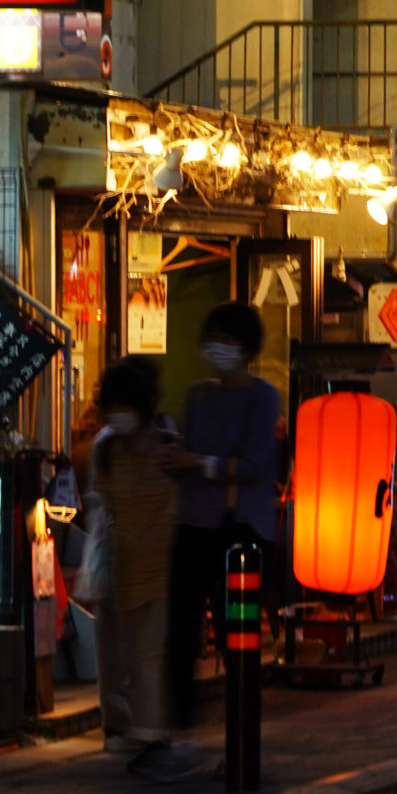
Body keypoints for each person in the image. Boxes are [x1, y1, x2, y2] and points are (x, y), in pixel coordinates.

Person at [163, 302, 284, 732]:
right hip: (195, 523)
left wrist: (197, 462)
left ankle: (242, 733)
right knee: (180, 629)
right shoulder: (197, 394)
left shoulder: (263, 397)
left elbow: (253, 465)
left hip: (243, 527)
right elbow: (193, 453)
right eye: (213, 338)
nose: (219, 348)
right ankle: (178, 728)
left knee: (240, 637)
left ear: (247, 347)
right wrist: (180, 459)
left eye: (229, 340)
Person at [89, 357, 206, 781]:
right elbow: (106, 513)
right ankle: (148, 736)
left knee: (150, 657)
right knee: (132, 660)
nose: (117, 414)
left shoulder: (168, 449)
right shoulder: (106, 451)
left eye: (124, 405)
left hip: (163, 570)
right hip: (123, 571)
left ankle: (158, 739)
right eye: (111, 406)